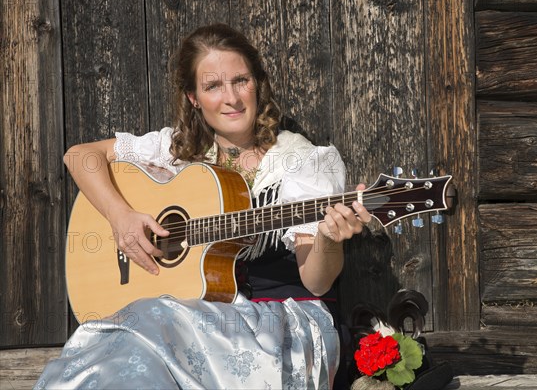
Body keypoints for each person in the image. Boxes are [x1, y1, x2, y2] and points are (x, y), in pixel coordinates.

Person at [35, 23, 370, 389]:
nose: (232, 98)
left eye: (241, 80)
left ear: (257, 83)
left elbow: (317, 281)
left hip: (279, 327)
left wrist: (329, 238)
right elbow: (79, 156)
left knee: (146, 322)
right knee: (116, 337)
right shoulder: (178, 150)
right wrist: (121, 217)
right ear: (194, 97)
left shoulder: (301, 161)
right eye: (213, 86)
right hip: (188, 322)